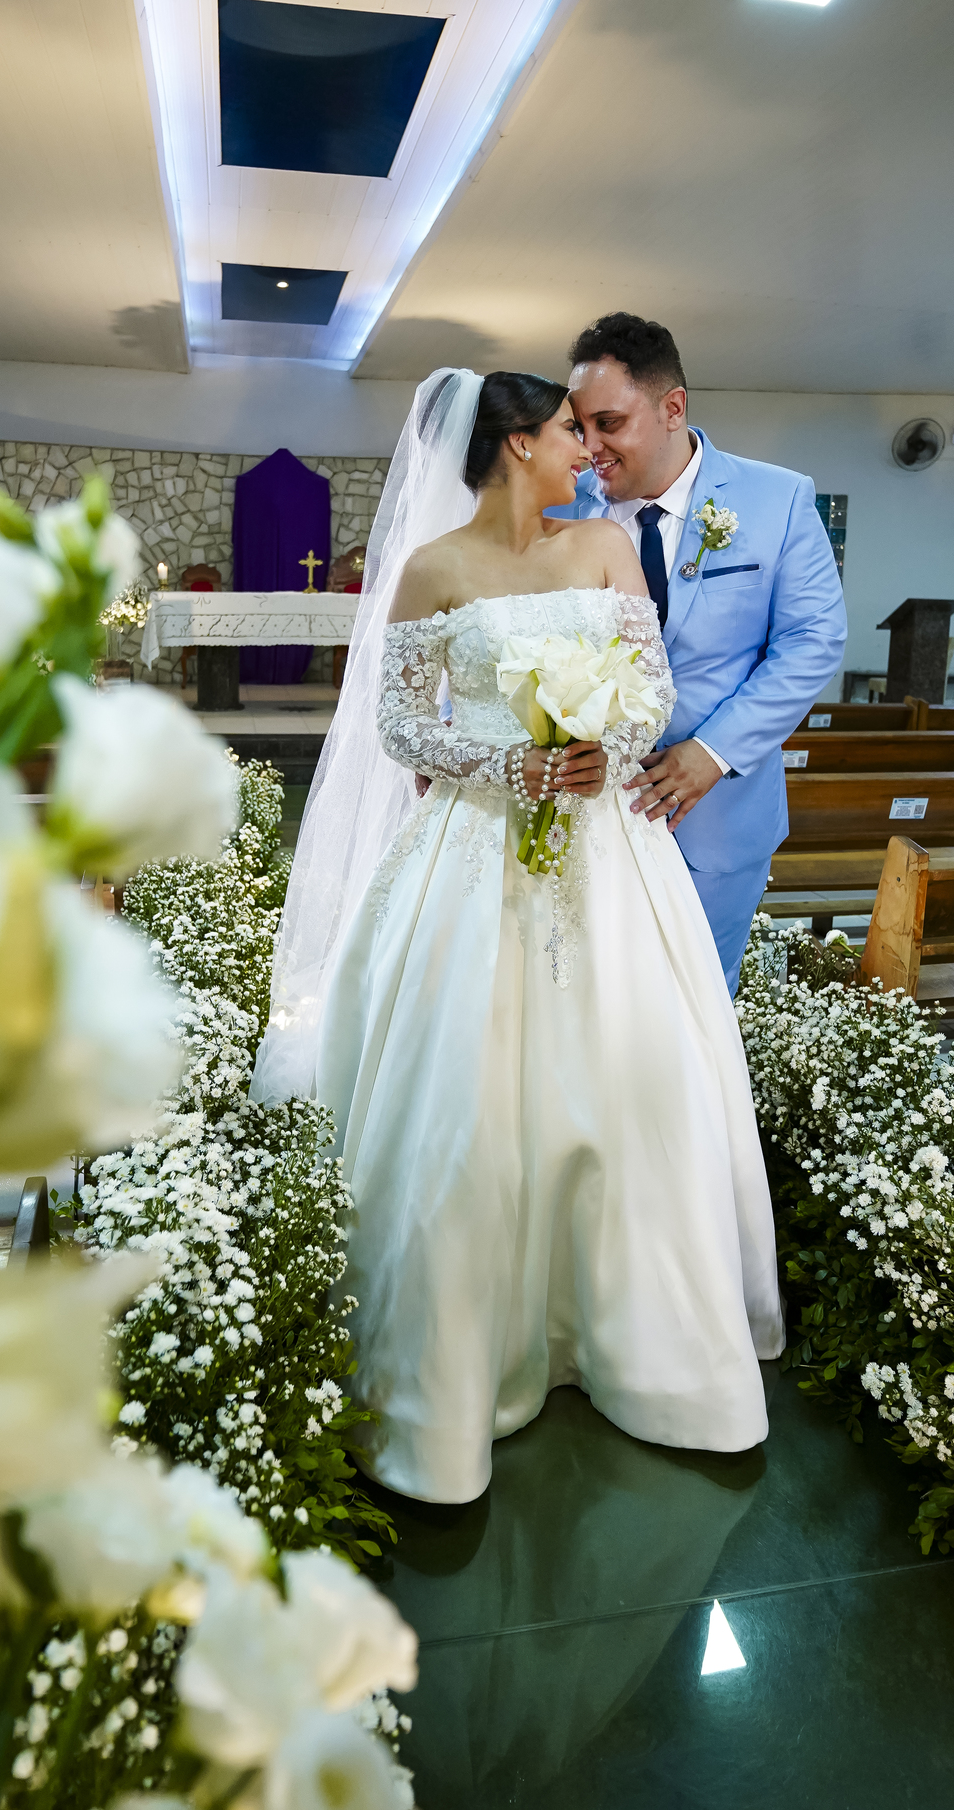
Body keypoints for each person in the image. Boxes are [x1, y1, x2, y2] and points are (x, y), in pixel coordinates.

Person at [252, 368, 783, 1505]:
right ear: (514, 444)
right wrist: (509, 762)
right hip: (474, 846)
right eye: (566, 431)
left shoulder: (604, 548)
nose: (588, 450)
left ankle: (637, 1338)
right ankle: (463, 1358)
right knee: (474, 1083)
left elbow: (650, 689)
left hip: (604, 845)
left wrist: (605, 744)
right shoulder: (433, 569)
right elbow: (401, 723)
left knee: (623, 1071)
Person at [559, 314, 847, 993]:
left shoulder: (777, 499)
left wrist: (712, 752)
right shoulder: (561, 504)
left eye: (608, 423)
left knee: (699, 1005)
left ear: (673, 408)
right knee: (583, 1002)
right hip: (581, 809)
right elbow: (500, 616)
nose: (590, 447)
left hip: (716, 818)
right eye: (580, 426)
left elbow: (813, 639)